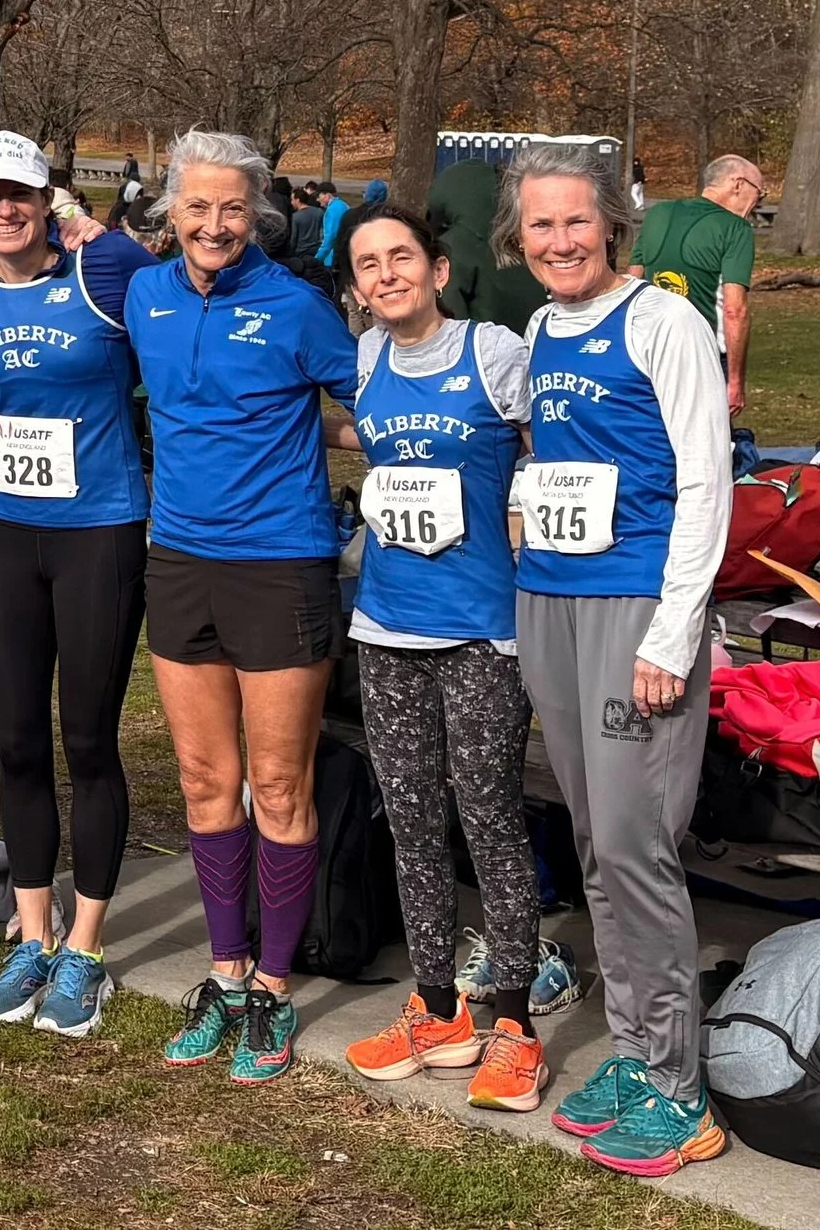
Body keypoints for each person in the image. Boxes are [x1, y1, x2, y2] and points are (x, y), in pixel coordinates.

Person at [502, 143, 731, 1176]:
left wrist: (671, 633)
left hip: (634, 609)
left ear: (611, 226)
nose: (558, 241)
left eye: (574, 222)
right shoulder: (544, 327)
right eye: (540, 225)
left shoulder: (662, 320)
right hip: (550, 600)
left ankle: (680, 1090)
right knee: (594, 841)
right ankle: (636, 1052)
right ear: (520, 237)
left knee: (639, 848)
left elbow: (704, 483)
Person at [124, 131, 355, 1084]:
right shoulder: (144, 293)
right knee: (203, 783)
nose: (215, 225)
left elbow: (369, 403)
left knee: (280, 786)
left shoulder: (298, 307)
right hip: (179, 562)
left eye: (232, 209)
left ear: (256, 213)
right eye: (197, 207)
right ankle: (224, 973)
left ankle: (275, 986)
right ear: (171, 212)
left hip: (281, 565)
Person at [320, 203, 548, 1113]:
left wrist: (531, 518)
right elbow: (368, 437)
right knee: (411, 821)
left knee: (488, 815)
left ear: (438, 269)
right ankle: (438, 1003)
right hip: (386, 628)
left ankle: (516, 1021)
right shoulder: (367, 359)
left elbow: (554, 437)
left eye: (400, 258)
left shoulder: (491, 352)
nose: (385, 276)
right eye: (367, 265)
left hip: (483, 632)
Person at [0, 132, 160, 1039]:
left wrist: (83, 223)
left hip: (98, 533)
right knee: (18, 740)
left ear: (47, 199)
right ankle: (32, 935)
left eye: (22, 195)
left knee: (87, 738)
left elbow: (150, 267)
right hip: (2, 532)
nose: (6, 210)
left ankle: (89, 949)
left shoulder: (99, 276)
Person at [631, 153, 762, 413]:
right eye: (760, 193)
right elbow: (734, 311)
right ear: (738, 184)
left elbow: (632, 284)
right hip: (705, 357)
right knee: (706, 446)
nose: (757, 203)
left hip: (650, 353)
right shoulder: (736, 229)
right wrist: (735, 381)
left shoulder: (658, 214)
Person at [428, 159, 548, 333]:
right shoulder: (519, 237)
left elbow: (449, 311)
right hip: (532, 341)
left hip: (482, 351)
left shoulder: (452, 247)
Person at [315, 181, 349, 270]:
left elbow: (330, 236)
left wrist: (318, 257)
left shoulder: (332, 210)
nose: (317, 200)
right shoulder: (344, 205)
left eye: (319, 196)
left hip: (332, 258)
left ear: (327, 195)